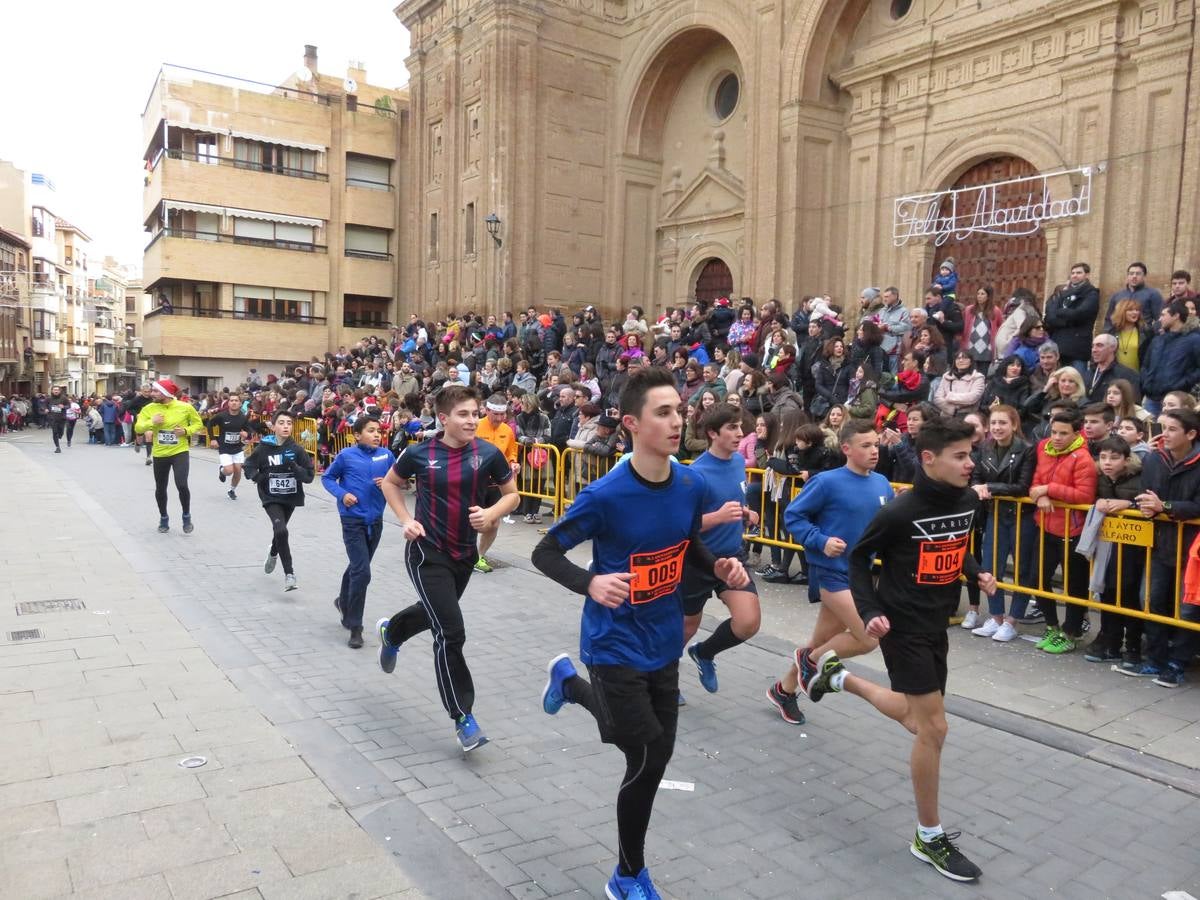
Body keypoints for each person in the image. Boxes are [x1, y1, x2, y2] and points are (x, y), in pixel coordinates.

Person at [532, 366, 748, 900]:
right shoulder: (606, 495)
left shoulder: (691, 483)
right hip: (612, 644)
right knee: (647, 754)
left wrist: (716, 569)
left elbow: (685, 544)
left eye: (679, 409)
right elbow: (544, 551)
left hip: (663, 640)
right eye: (664, 412)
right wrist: (591, 582)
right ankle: (628, 875)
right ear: (632, 423)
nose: (678, 421)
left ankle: (567, 685)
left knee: (649, 752)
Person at [803, 417, 993, 882]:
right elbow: (858, 559)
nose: (971, 463)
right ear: (929, 459)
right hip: (903, 625)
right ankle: (929, 837)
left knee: (915, 717)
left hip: (937, 623)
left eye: (971, 454)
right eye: (961, 456)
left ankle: (837, 678)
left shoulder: (968, 501)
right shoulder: (899, 511)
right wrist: (868, 611)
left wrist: (974, 572)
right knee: (935, 728)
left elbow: (953, 544)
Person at [377, 385, 521, 752]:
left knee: (437, 615)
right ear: (443, 419)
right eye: (464, 414)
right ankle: (463, 717)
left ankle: (393, 631)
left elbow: (513, 495)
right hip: (426, 553)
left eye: (475, 413)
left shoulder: (488, 454)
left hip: (464, 554)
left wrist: (491, 513)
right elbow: (392, 484)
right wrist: (405, 519)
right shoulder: (419, 452)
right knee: (451, 632)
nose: (473, 420)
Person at [766, 420, 894, 726]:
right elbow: (793, 515)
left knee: (822, 642)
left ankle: (784, 689)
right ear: (847, 449)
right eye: (866, 445)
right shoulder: (827, 482)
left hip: (860, 575)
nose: (874, 450)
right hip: (830, 572)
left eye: (876, 444)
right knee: (868, 638)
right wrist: (821, 541)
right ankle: (809, 661)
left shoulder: (882, 484)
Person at [681, 404, 761, 699]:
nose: (740, 433)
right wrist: (717, 517)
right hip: (699, 560)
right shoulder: (695, 474)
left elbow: (728, 503)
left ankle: (704, 653)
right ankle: (663, 678)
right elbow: (680, 526)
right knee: (687, 626)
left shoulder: (739, 462)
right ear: (713, 433)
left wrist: (744, 512)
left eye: (740, 427)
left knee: (748, 623)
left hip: (732, 558)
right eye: (732, 428)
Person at [1123, 408, 1200, 686]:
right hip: (1160, 543)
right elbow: (1147, 495)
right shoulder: (1156, 459)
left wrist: (1164, 507)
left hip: (1193, 550)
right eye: (1162, 428)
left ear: (1190, 434)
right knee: (1151, 598)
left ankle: (1177, 662)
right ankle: (1155, 658)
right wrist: (1146, 507)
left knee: (1187, 607)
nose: (1163, 435)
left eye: (1171, 429)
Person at [1026, 410, 1097, 653]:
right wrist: (1042, 493)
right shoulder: (1043, 448)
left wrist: (1049, 489)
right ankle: (1052, 626)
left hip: (1073, 529)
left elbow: (1085, 495)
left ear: (1077, 433)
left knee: (1075, 585)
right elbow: (1034, 484)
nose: (1056, 437)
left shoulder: (1083, 458)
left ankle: (1072, 632)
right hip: (1046, 525)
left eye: (1063, 433)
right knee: (1037, 579)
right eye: (1054, 431)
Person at [322, 417, 395, 648]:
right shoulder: (346, 456)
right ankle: (355, 626)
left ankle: (343, 601)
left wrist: (388, 482)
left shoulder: (386, 455)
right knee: (362, 572)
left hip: (376, 521)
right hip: (352, 520)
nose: (377, 435)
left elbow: (398, 481)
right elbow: (327, 478)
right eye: (370, 431)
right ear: (357, 435)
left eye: (379, 431)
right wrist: (342, 495)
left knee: (357, 567)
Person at [968, 405, 1035, 642]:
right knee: (989, 567)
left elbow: (1022, 487)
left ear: (1014, 425)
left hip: (1021, 516)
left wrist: (990, 488)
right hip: (995, 514)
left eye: (1003, 423)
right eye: (994, 423)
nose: (997, 427)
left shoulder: (1026, 449)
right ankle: (995, 616)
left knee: (1021, 569)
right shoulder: (985, 447)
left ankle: (1012, 620)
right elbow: (976, 476)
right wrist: (978, 486)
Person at [1081, 436, 1144, 666]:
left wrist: (1130, 505)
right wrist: (1098, 501)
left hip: (1134, 547)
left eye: (1114, 458)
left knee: (1128, 594)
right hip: (1108, 545)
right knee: (1108, 592)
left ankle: (1134, 647)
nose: (1107, 462)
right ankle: (1111, 643)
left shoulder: (1139, 478)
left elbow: (1150, 501)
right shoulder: (1101, 479)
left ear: (1126, 460)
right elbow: (1092, 496)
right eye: (1104, 457)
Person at [243, 409, 314, 592]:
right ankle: (289, 575)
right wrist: (257, 478)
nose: (285, 426)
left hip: (290, 497)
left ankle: (274, 551)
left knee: (279, 532)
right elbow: (249, 465)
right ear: (273, 426)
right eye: (281, 423)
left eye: (289, 423)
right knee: (281, 530)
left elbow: (309, 477)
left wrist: (294, 467)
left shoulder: (297, 450)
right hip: (270, 497)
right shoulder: (263, 448)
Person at [134, 379, 205, 534]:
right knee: (161, 487)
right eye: (152, 391)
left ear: (166, 393)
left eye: (156, 391)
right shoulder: (149, 408)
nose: (152, 394)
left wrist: (185, 431)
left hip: (180, 452)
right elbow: (138, 427)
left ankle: (186, 516)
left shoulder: (185, 407)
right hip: (160, 453)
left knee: (182, 484)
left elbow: (198, 424)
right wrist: (152, 422)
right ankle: (163, 518)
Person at [474, 393, 521, 572]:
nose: (500, 418)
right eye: (496, 414)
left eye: (503, 415)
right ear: (486, 411)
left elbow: (511, 452)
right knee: (473, 521)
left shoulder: (507, 430)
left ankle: (479, 556)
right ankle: (462, 553)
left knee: (493, 522)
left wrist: (513, 463)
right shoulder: (475, 426)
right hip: (474, 483)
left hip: (495, 484)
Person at [1140, 300, 1200, 415]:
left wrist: (1181, 384)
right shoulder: (1157, 339)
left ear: (1176, 316)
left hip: (1176, 400)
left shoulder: (1194, 340)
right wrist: (1146, 382)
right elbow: (1145, 365)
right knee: (1151, 431)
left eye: (1163, 315)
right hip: (1151, 399)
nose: (1160, 319)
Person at [1043, 262, 1100, 367]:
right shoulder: (1061, 293)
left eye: (1079, 273)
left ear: (1087, 275)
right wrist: (1068, 319)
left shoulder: (1091, 294)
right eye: (1073, 273)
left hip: (1077, 349)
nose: (1074, 275)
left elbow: (1080, 314)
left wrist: (1060, 312)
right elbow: (1050, 317)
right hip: (1058, 346)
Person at [208, 397, 251, 500]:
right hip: (224, 448)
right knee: (229, 471)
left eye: (236, 401)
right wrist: (213, 439)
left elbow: (248, 429)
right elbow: (210, 424)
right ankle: (222, 471)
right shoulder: (222, 416)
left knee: (238, 470)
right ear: (228, 403)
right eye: (232, 401)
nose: (234, 403)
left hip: (237, 448)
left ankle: (232, 490)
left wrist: (247, 434)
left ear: (240, 403)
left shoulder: (243, 417)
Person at [1103, 261, 1164, 328]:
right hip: (1119, 334)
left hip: (1142, 335)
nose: (1134, 276)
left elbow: (1160, 318)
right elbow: (1109, 319)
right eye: (1131, 273)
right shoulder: (1117, 295)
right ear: (1128, 276)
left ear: (1144, 276)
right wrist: (1108, 333)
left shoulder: (1153, 294)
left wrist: (1151, 334)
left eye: (1138, 274)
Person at [1082, 333, 1140, 404]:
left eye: (1099, 345)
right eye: (1093, 346)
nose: (1094, 350)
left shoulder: (1127, 375)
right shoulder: (1088, 373)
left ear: (1113, 347)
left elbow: (1132, 404)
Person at [47, 386, 69, 453]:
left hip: (62, 418)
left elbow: (69, 405)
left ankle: (60, 434)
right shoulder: (49, 399)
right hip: (52, 418)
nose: (56, 391)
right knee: (55, 432)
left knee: (61, 431)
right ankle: (57, 447)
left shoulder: (64, 398)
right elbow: (44, 405)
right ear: (52, 391)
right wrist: (45, 409)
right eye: (54, 390)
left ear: (60, 391)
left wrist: (64, 406)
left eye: (57, 390)